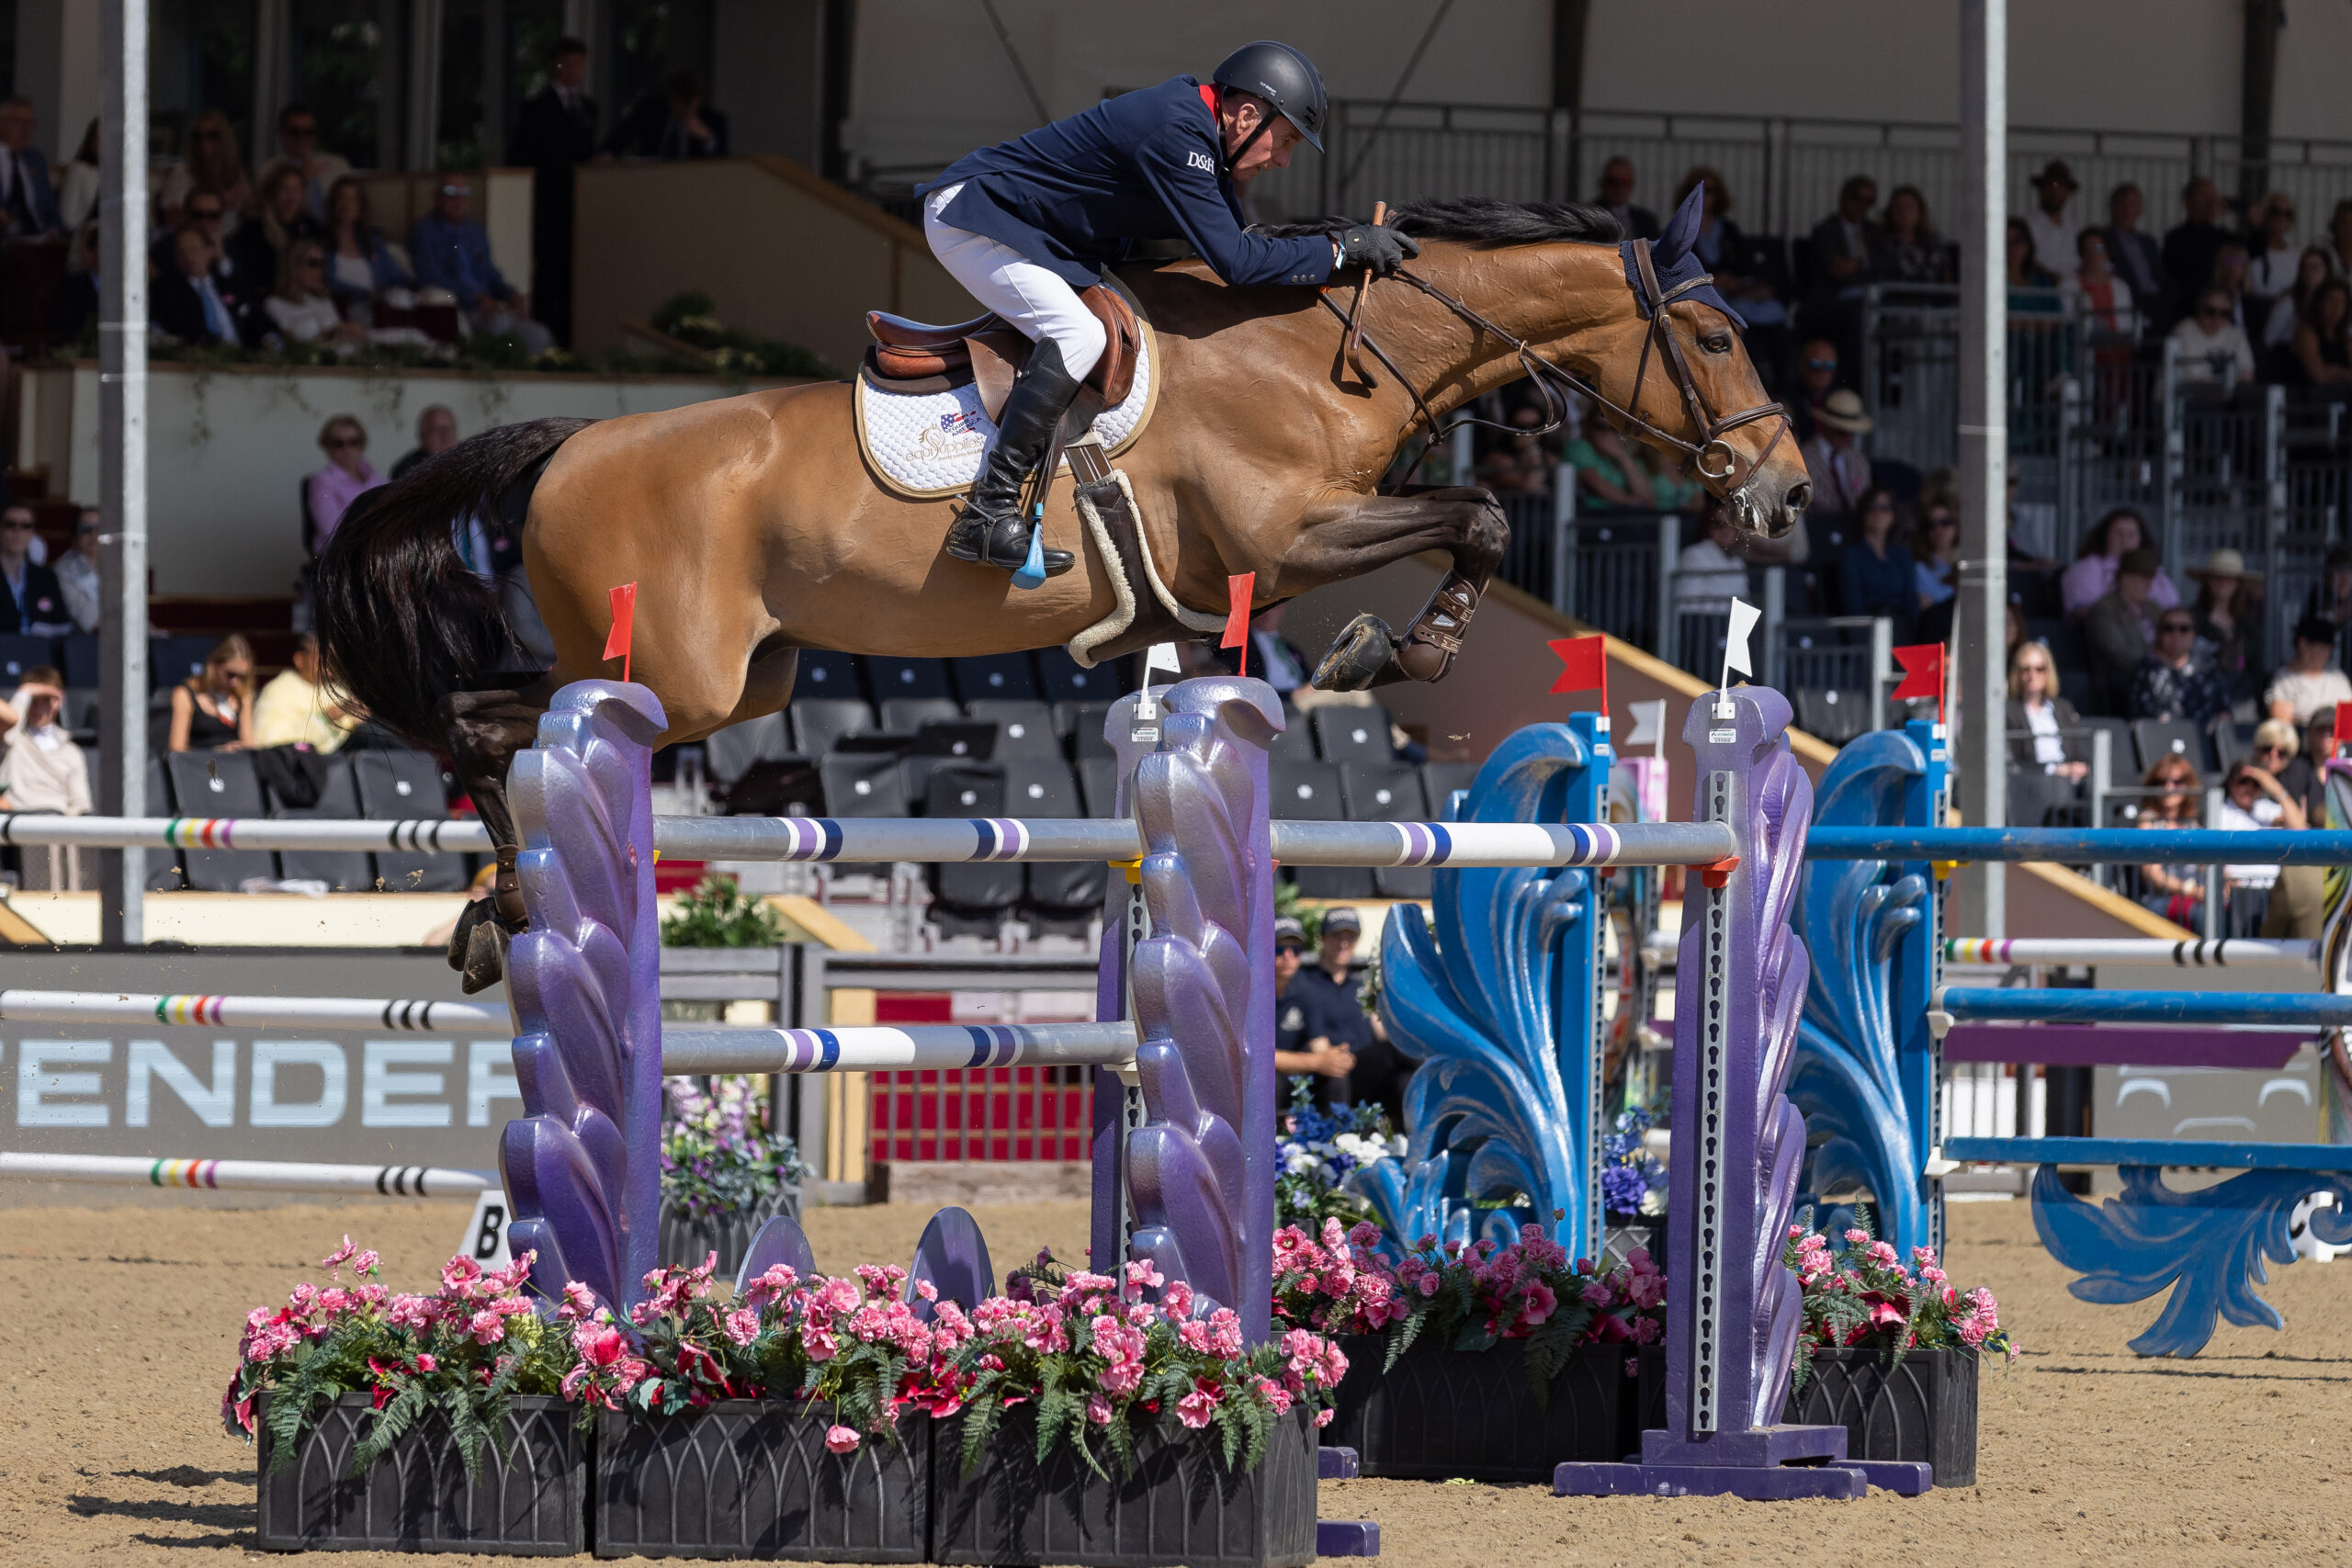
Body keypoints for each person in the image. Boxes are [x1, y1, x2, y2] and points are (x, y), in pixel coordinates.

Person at [914, 42, 1405, 579]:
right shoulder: (1179, 132)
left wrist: (1339, 248)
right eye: (1285, 140)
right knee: (1079, 336)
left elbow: (1244, 242)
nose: (1283, 160)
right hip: (977, 218)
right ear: (1246, 116)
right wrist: (1340, 249)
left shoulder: (1203, 135)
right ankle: (988, 511)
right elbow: (1238, 262)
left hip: (1031, 233)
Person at [508, 35, 599, 347]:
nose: (574, 71)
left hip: (579, 204)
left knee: (574, 274)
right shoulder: (537, 108)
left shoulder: (588, 108)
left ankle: (570, 340)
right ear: (556, 65)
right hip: (548, 203)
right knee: (548, 272)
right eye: (568, 64)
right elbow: (522, 156)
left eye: (580, 64)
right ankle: (546, 341)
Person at [1289, 907, 1409, 1128]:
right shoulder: (1305, 982)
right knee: (1342, 1070)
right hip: (1329, 1068)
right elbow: (1317, 1042)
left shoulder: (1362, 984)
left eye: (1350, 937)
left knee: (1405, 1072)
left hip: (1366, 1068)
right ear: (1323, 939)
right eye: (1337, 936)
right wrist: (1332, 1059)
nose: (1343, 944)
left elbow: (1381, 1031)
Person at [409, 176, 552, 353]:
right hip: (460, 308)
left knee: (539, 335)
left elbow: (489, 273)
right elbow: (429, 277)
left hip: (490, 307)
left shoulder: (474, 231)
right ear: (437, 197)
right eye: (450, 193)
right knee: (499, 325)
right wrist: (474, 297)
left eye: (464, 194)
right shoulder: (424, 232)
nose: (458, 200)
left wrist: (511, 294)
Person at [2216, 757, 2306, 934]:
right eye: (2243, 781)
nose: (2249, 788)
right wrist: (2225, 878)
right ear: (2231, 783)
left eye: (2256, 784)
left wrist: (2274, 787)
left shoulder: (2265, 808)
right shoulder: (2221, 813)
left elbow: (2300, 830)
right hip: (2240, 893)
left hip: (2275, 892)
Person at [1272, 916, 1352, 1103]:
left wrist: (1338, 1058)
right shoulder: (1251, 992)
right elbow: (1260, 1058)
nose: (1288, 956)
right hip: (1267, 1078)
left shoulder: (1305, 990)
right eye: (1279, 949)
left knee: (1336, 1077)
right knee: (1268, 1081)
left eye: (1296, 950)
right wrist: (1317, 1062)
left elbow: (1319, 1043)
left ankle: (1338, 1124)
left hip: (1297, 1076)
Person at [228, 163, 322, 321]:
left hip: (306, 299)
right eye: (285, 189)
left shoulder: (310, 227)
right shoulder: (254, 228)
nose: (291, 196)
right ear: (272, 192)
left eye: (296, 189)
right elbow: (247, 275)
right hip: (270, 302)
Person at [320, 176, 413, 321]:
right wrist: (365, 294)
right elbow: (325, 283)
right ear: (332, 204)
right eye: (341, 198)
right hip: (341, 315)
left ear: (361, 206)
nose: (347, 205)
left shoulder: (372, 243)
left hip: (378, 313)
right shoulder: (321, 244)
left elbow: (396, 276)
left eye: (353, 199)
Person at [2084, 547, 2165, 711]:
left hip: (2161, 679)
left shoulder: (2155, 610)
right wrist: (2162, 662)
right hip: (2121, 686)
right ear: (2124, 578)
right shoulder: (2104, 610)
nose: (2147, 584)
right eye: (2140, 578)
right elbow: (2118, 653)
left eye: (2149, 578)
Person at [2061, 507, 2178, 618]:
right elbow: (2080, 611)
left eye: (2131, 535)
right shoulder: (2087, 568)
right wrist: (2125, 611)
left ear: (2141, 539)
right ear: (2105, 536)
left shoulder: (2154, 569)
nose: (2125, 540)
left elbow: (2173, 608)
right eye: (2118, 533)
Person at [253, 632, 356, 752]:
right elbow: (268, 741)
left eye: (333, 661)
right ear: (300, 659)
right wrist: (325, 718)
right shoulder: (278, 691)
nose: (329, 669)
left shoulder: (337, 692)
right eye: (322, 660)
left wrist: (353, 720)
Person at [2134, 755, 2205, 925]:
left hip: (2194, 898)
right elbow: (2153, 875)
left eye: (2177, 782)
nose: (2169, 788)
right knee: (2202, 915)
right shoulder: (2148, 821)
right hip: (2160, 901)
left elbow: (2206, 866)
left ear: (2188, 786)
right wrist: (2190, 889)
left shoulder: (2192, 823)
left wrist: (2222, 885)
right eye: (2162, 782)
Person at [2130, 607, 2230, 728]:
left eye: (2184, 628)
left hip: (2204, 735)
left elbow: (2224, 710)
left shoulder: (2208, 667)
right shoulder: (2146, 669)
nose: (2176, 634)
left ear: (2194, 634)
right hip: (2162, 734)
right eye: (2169, 628)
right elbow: (2140, 714)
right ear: (2159, 634)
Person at [605, 67, 729, 160]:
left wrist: (707, 138)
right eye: (680, 103)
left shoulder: (713, 120)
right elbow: (621, 136)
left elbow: (723, 162)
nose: (686, 110)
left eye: (690, 105)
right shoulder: (651, 112)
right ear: (670, 98)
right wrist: (607, 154)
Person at [304, 415, 387, 556]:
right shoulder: (321, 481)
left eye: (353, 442)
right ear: (327, 447)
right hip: (338, 557)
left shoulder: (382, 481)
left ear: (362, 444)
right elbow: (331, 531)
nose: (347, 449)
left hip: (378, 554)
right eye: (338, 443)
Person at [159, 107, 253, 231]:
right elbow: (171, 218)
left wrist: (246, 204)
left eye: (211, 136)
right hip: (193, 239)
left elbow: (251, 219)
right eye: (198, 136)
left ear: (224, 138)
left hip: (230, 240)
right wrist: (220, 201)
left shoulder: (238, 175)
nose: (203, 141)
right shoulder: (182, 173)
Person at [1838, 488, 1914, 637]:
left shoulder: (1902, 555)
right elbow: (1853, 606)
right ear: (1863, 514)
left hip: (1901, 630)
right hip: (1867, 632)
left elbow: (1911, 602)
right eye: (1872, 507)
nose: (1878, 513)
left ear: (1893, 515)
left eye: (1885, 508)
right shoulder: (1852, 556)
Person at [2188, 547, 2262, 701]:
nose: (2222, 582)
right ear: (2208, 581)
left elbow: (2254, 667)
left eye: (2229, 578)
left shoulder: (2247, 626)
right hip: (2201, 698)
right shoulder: (2191, 619)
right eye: (2217, 577)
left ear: (2238, 584)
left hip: (2241, 700)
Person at [255, 103, 350, 222]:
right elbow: (266, 211)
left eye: (309, 132)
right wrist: (303, 177)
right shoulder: (268, 170)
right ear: (282, 133)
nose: (302, 138)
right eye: (295, 132)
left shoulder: (337, 165)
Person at [152, 225, 244, 347]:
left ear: (210, 251)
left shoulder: (228, 282)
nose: (188, 257)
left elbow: (256, 318)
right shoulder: (167, 292)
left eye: (193, 250)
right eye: (180, 252)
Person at [2007, 641, 2086, 782]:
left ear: (2048, 672)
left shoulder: (2063, 708)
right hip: (2032, 782)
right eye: (2026, 669)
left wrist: (2078, 767)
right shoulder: (2010, 711)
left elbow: (2076, 751)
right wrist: (2054, 770)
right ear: (2017, 674)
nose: (2032, 675)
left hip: (2069, 780)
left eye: (2039, 669)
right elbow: (2016, 761)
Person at [264, 238, 365, 347]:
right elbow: (289, 344)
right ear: (292, 265)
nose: (320, 270)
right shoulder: (275, 304)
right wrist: (331, 334)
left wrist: (349, 331)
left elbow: (340, 332)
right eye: (313, 263)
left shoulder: (323, 300)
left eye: (323, 263)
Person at [2163, 177, 2234, 322]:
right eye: (2203, 195)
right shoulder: (2176, 238)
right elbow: (2195, 265)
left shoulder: (2222, 237)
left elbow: (2245, 255)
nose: (2210, 201)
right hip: (2189, 311)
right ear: (2187, 201)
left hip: (2221, 310)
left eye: (2212, 195)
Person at [2100, 182, 2170, 327]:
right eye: (2122, 204)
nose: (2127, 210)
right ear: (2112, 206)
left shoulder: (2148, 241)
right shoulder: (2104, 239)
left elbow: (2160, 274)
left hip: (2158, 301)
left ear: (2140, 209)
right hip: (2129, 300)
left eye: (2133, 204)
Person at [169, 635, 255, 752]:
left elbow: (249, 743)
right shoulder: (185, 695)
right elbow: (177, 749)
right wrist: (219, 751)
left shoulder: (242, 695)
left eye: (242, 677)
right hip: (200, 761)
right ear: (214, 665)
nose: (235, 682)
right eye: (231, 674)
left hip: (233, 762)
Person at [2265, 615, 2352, 727]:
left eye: (2329, 649)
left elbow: (2349, 716)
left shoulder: (2337, 676)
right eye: (2322, 648)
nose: (2326, 654)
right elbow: (2282, 723)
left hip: (2335, 736)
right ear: (2303, 644)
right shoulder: (2284, 680)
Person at [1800, 389, 1873, 519]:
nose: (1848, 438)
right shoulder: (1803, 457)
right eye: (1842, 432)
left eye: (1851, 433)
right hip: (1817, 525)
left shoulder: (1857, 459)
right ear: (1827, 426)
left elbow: (1866, 496)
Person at [0, 506, 71, 636]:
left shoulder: (46, 577)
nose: (18, 531)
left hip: (37, 647)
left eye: (25, 526)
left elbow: (62, 623)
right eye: (10, 524)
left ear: (32, 532)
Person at [0, 96, 62, 237]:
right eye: (18, 122)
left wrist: (53, 229)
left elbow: (50, 209)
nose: (26, 129)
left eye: (30, 123)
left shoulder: (36, 160)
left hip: (38, 238)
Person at [1871, 185, 1950, 286]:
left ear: (1920, 212)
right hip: (1893, 295)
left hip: (1929, 294)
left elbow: (1948, 281)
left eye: (1908, 207)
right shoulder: (1880, 241)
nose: (1903, 212)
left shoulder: (1934, 242)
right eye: (1897, 207)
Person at [1674, 508, 1748, 614]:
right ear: (1707, 527)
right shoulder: (1693, 555)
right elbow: (1686, 604)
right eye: (1718, 524)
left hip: (1733, 621)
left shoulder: (1737, 563)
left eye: (1733, 525)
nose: (1726, 530)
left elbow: (1745, 603)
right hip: (1705, 620)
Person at [2260, 245, 2333, 353]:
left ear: (2327, 271)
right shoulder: (2289, 303)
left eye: (2315, 268)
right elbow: (2267, 340)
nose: (2309, 273)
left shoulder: (2331, 303)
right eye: (2304, 267)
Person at [2245, 192, 2301, 323]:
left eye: (2288, 214)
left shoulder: (2298, 255)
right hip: (2256, 315)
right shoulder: (2251, 250)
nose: (2281, 218)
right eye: (2276, 212)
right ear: (2265, 215)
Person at [2024, 160, 2081, 288]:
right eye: (2050, 185)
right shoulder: (2028, 225)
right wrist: (2047, 275)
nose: (2054, 192)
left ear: (2068, 192)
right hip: (2037, 289)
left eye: (2061, 187)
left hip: (2071, 291)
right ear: (2041, 189)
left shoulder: (2075, 229)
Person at [1475, 404, 1554, 495]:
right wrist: (1533, 451)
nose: (1529, 432)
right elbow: (1530, 486)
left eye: (1536, 426)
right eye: (1521, 427)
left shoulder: (1550, 458)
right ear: (1509, 429)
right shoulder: (1498, 459)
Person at [1910, 499, 1960, 644]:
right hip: (1938, 636)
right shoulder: (1919, 569)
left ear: (1956, 525)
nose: (1938, 529)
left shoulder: (1970, 561)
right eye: (1931, 525)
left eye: (1945, 522)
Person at [2069, 230, 2135, 334]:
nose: (2093, 254)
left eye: (2098, 248)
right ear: (2081, 254)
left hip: (2117, 343)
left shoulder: (2121, 287)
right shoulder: (2068, 286)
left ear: (2107, 253)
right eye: (2087, 249)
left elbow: (2127, 325)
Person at [2291, 278, 2352, 390]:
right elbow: (2318, 375)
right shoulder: (2305, 332)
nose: (2336, 307)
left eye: (2341, 302)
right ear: (2319, 303)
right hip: (2309, 395)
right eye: (2331, 300)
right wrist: (2345, 375)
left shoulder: (2346, 338)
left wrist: (2334, 371)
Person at [2275, 711, 2333, 826]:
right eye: (2321, 729)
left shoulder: (2347, 769)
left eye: (2332, 729)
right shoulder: (2295, 769)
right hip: (2305, 835)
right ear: (2309, 733)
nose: (2326, 735)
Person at [54, 508, 100, 634]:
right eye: (86, 529)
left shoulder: (117, 565)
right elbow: (89, 621)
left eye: (100, 528)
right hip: (84, 641)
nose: (94, 535)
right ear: (75, 535)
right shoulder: (64, 569)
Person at [1593, 156, 1658, 241]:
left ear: (1632, 184)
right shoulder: (1592, 216)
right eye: (1613, 182)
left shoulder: (1647, 221)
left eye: (1625, 182)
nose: (1620, 188)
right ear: (1603, 183)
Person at [1789, 338, 1840, 445]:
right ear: (1802, 366)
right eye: (1816, 364)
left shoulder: (1840, 400)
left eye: (1829, 366)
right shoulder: (1787, 399)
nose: (1822, 372)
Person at [55, 117, 100, 232]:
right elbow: (67, 220)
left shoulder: (124, 176)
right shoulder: (78, 170)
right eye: (97, 136)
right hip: (85, 236)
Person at [393, 405, 460, 479]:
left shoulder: (465, 460)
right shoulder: (407, 470)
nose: (445, 435)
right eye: (437, 430)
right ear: (422, 437)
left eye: (449, 429)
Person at [2005, 218, 2057, 298]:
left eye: (2017, 241)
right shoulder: (1991, 282)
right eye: (2006, 241)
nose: (2011, 247)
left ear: (2028, 245)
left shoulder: (2042, 281)